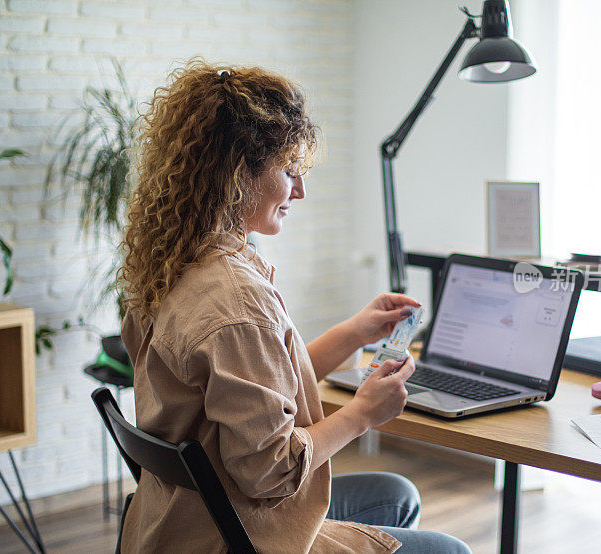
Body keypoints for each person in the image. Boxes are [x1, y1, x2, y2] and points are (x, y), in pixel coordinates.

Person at [118, 58, 471, 553]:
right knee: (451, 551)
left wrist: (353, 332)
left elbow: (256, 389)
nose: (300, 190)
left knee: (394, 494)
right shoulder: (235, 301)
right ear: (236, 174)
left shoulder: (173, 261)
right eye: (289, 171)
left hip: (180, 517)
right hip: (236, 532)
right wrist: (362, 415)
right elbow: (271, 472)